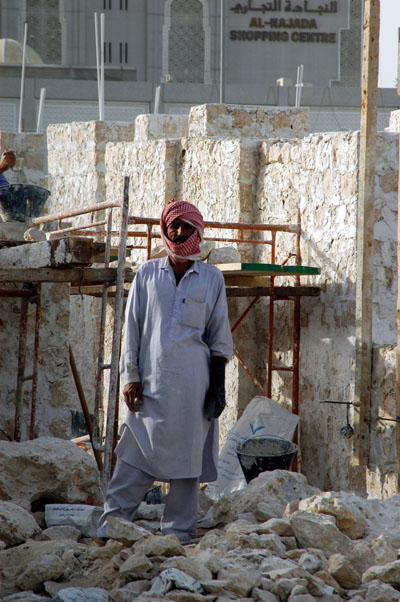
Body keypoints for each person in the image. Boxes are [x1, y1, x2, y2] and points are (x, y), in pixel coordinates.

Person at [98, 198, 233, 543]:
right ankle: (112, 527)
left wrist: (217, 388)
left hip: (193, 387)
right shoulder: (146, 274)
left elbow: (219, 338)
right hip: (151, 386)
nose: (178, 232)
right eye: (173, 226)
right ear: (165, 229)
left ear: (197, 232)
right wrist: (130, 376)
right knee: (134, 452)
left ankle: (179, 536)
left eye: (186, 227)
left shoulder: (212, 279)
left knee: (188, 463)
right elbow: (131, 329)